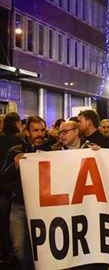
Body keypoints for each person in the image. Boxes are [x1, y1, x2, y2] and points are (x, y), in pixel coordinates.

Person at [3, 116, 52, 270]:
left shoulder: (51, 150)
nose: (40, 134)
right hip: (20, 206)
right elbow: (3, 176)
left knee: (43, 248)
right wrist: (15, 165)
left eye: (42, 130)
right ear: (27, 132)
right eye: (35, 130)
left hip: (44, 207)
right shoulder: (15, 151)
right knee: (19, 247)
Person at [0, 112, 22, 262]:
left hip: (1, 187)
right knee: (11, 224)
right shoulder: (19, 143)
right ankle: (12, 252)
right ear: (17, 123)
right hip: (13, 188)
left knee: (3, 222)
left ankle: (6, 251)